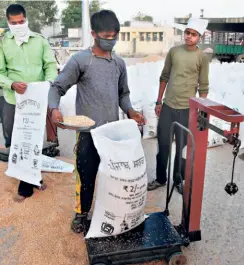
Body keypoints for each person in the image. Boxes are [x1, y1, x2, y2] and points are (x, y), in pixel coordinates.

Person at [49, 10, 145, 234]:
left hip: (112, 134)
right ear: (93, 34)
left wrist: (131, 111)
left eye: (114, 36)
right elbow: (57, 87)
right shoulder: (81, 61)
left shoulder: (119, 64)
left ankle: (113, 212)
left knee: (114, 177)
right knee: (86, 175)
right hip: (88, 134)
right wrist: (54, 109)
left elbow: (123, 94)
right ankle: (82, 214)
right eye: (106, 36)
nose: (110, 40)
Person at [0, 4, 57, 201]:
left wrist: (47, 84)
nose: (18, 25)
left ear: (27, 20)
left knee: (32, 139)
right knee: (13, 136)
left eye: (21, 22)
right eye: (13, 23)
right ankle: (20, 170)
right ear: (8, 22)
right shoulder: (2, 43)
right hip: (12, 98)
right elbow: (0, 72)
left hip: (36, 99)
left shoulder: (40, 41)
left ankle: (30, 179)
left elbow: (50, 66)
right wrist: (12, 84)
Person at [147, 17, 209, 194]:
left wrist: (201, 112)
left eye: (194, 34)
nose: (189, 37)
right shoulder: (174, 52)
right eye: (187, 33)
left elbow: (203, 86)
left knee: (182, 147)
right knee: (163, 145)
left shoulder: (202, 58)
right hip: (168, 107)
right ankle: (160, 178)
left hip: (187, 110)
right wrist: (159, 101)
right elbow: (164, 76)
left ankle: (178, 180)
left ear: (199, 37)